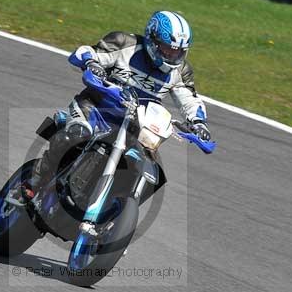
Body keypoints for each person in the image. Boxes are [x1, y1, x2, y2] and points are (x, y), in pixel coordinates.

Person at [23, 10, 211, 199]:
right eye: (167, 48)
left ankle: (116, 212)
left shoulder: (181, 70)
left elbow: (190, 99)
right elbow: (85, 52)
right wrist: (91, 63)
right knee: (77, 133)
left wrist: (199, 123)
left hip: (135, 126)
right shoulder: (125, 44)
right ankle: (36, 178)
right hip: (96, 108)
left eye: (178, 51)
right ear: (152, 40)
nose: (172, 54)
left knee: (149, 171)